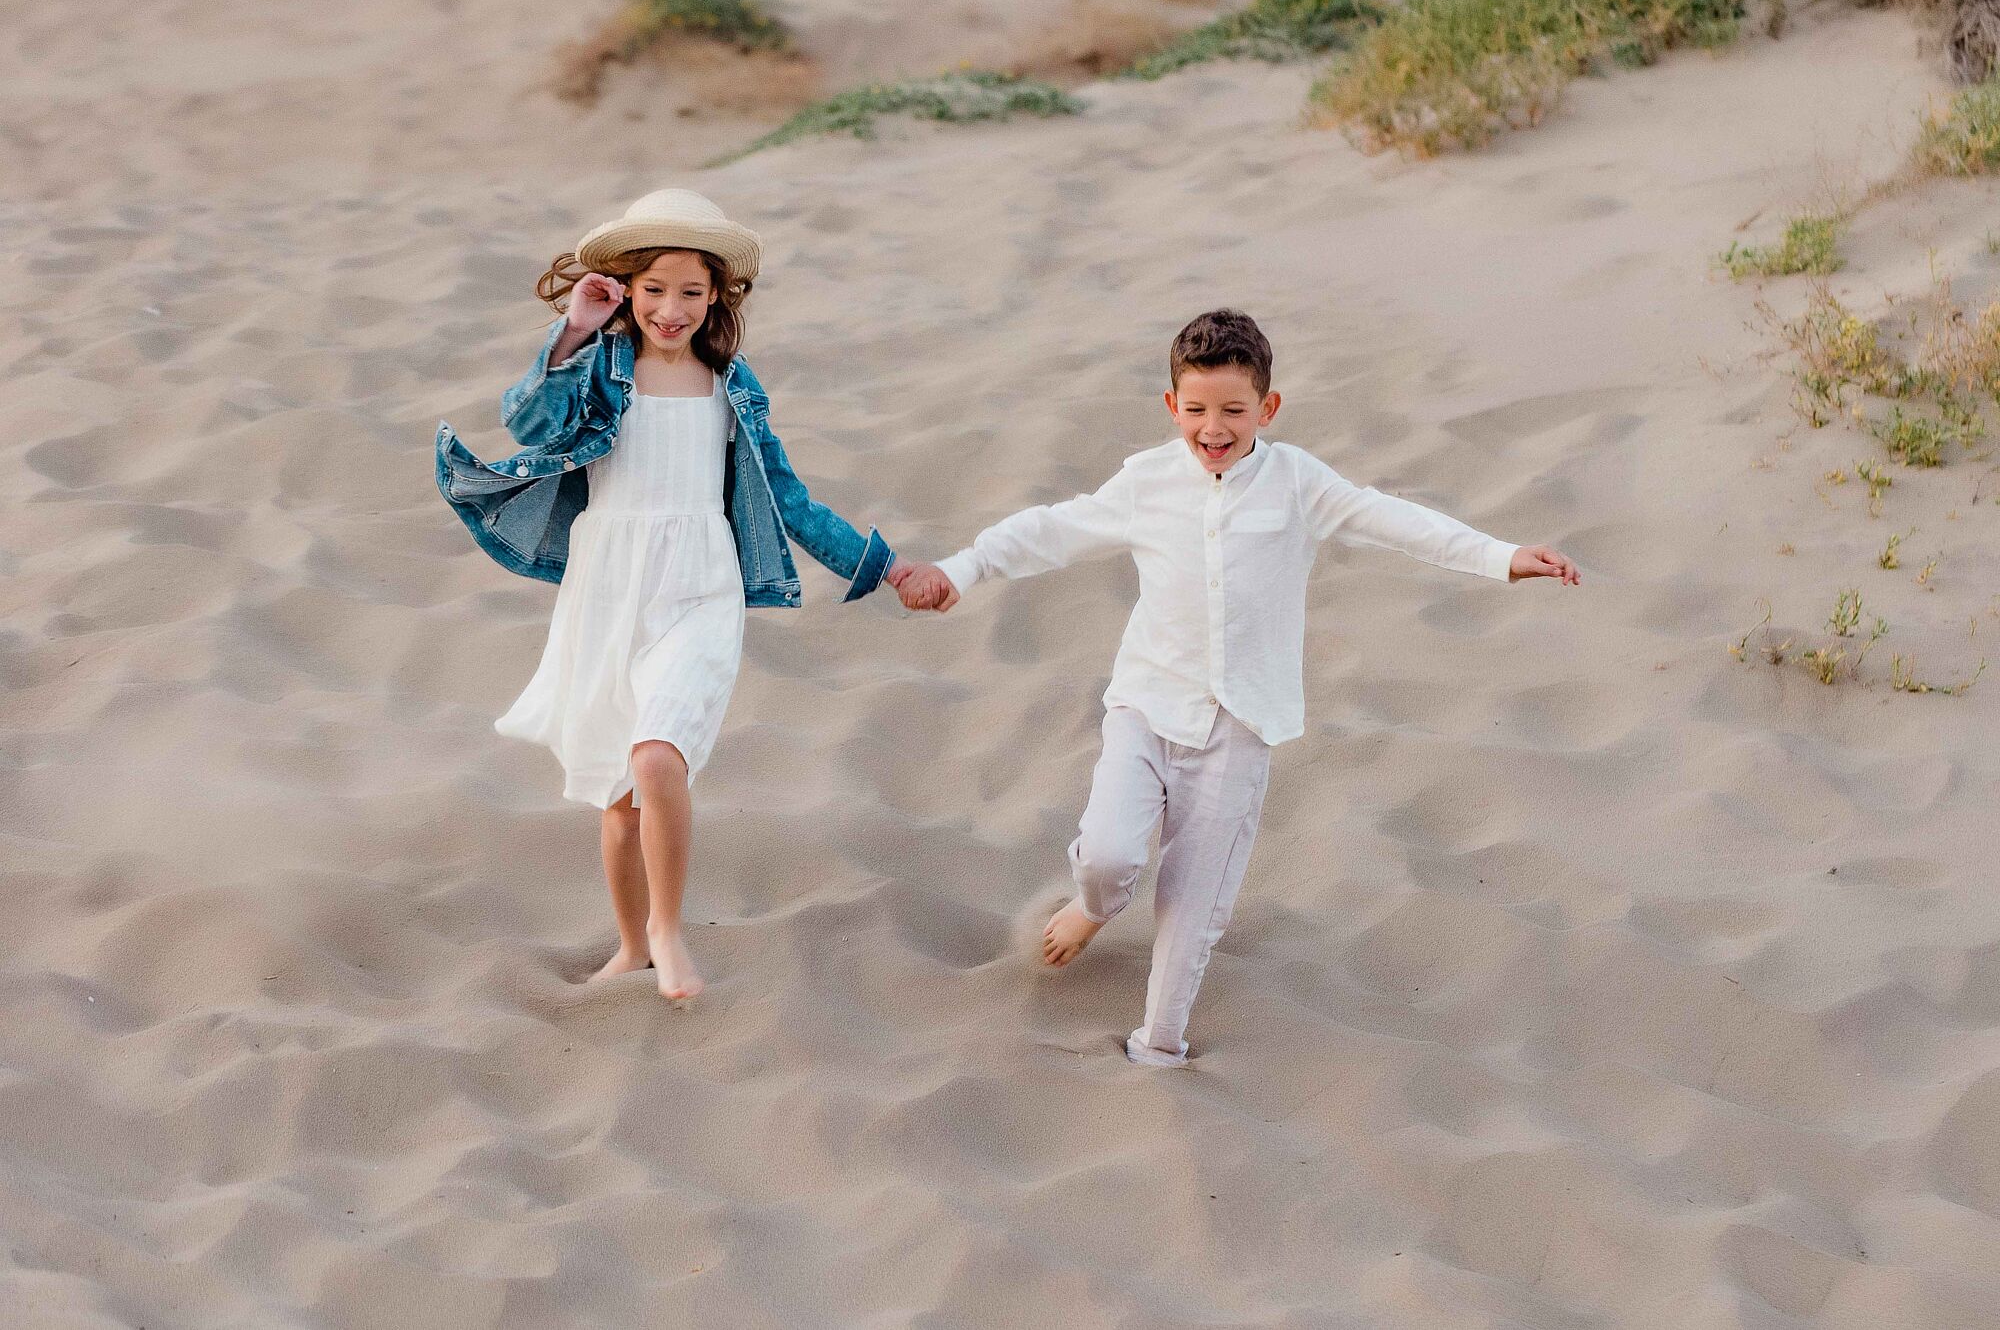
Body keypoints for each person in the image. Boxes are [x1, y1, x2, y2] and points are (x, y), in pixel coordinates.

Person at [893, 309, 1580, 1065]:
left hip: (1241, 726)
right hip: (1147, 708)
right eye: (1195, 410)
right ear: (1171, 408)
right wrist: (960, 569)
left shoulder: (1298, 483)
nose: (1213, 428)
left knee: (1191, 909)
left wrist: (1502, 555)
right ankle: (1092, 910)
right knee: (1108, 860)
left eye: (1233, 410)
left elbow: (1392, 519)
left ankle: (1158, 1045)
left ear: (1267, 408)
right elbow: (1048, 530)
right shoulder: (1146, 481)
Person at [436, 188, 940, 1004]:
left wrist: (889, 568)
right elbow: (527, 421)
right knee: (618, 798)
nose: (672, 308)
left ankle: (669, 930)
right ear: (627, 288)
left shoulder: (732, 388)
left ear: (718, 298)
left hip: (700, 584)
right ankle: (632, 945)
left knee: (657, 755)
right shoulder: (601, 369)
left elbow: (792, 503)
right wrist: (573, 328)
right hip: (609, 587)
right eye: (656, 288)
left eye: (692, 291)